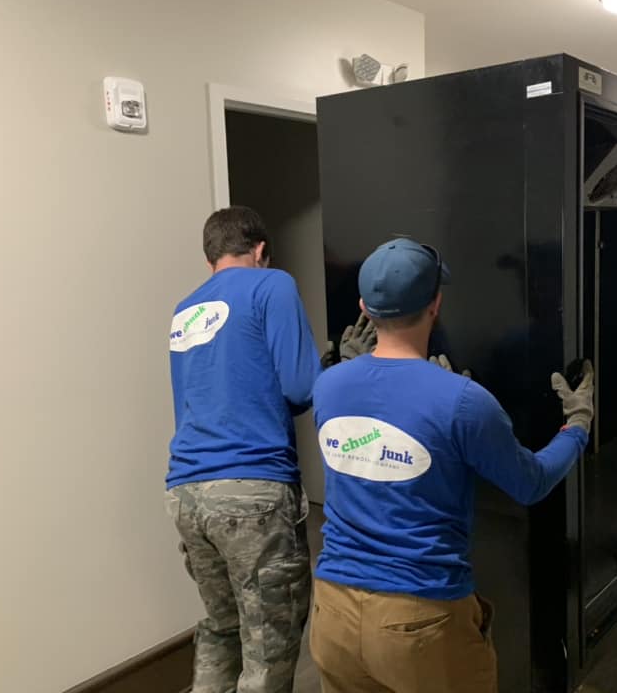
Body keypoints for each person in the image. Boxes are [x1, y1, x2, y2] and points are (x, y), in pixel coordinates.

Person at [308, 237, 595, 693]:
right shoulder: (463, 402)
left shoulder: (327, 387)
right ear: (435, 303)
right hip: (420, 621)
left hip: (332, 614)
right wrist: (578, 423)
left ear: (365, 306)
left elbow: (371, 450)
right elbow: (530, 482)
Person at [164, 206, 322, 693]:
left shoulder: (184, 311)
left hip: (186, 491)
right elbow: (300, 387)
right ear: (259, 250)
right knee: (268, 643)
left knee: (222, 625)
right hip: (251, 491)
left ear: (210, 255)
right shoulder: (272, 283)